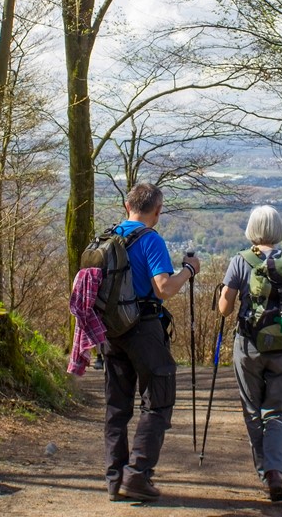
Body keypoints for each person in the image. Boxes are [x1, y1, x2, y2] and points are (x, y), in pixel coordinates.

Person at [216, 205, 282, 502]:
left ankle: (266, 473)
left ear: (252, 229)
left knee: (253, 410)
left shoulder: (241, 261)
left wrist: (224, 294)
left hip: (249, 346)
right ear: (278, 230)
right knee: (277, 412)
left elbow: (224, 309)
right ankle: (276, 472)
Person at [102, 183, 200, 502]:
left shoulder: (107, 237)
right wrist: (188, 270)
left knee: (117, 407)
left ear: (126, 205)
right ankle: (139, 474)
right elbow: (164, 289)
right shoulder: (150, 239)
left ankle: (115, 479)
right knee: (158, 400)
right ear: (156, 211)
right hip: (144, 329)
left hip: (111, 331)